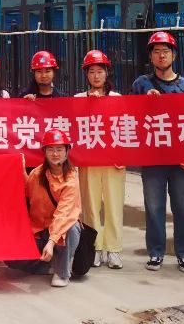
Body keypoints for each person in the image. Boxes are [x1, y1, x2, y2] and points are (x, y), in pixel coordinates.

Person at [130, 30, 184, 273]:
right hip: (153, 158)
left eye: (165, 51)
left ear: (174, 55)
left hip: (180, 159)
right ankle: (156, 252)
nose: (161, 56)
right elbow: (130, 117)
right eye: (156, 51)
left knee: (183, 208)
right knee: (154, 207)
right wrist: (144, 103)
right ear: (150, 56)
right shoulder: (141, 84)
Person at [7, 129, 82, 287]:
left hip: (59, 231)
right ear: (44, 152)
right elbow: (28, 192)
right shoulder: (37, 173)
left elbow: (63, 214)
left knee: (71, 228)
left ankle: (62, 272)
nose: (55, 154)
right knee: (11, 258)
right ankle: (50, 264)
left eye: (59, 149)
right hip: (39, 231)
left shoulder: (71, 179)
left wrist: (51, 242)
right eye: (51, 149)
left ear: (67, 151)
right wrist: (21, 170)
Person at [74, 50, 125, 270]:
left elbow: (125, 128)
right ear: (86, 74)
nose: (96, 76)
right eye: (91, 71)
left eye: (100, 71)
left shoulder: (117, 99)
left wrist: (123, 155)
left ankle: (113, 249)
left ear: (107, 73)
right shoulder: (78, 99)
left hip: (113, 161)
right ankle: (94, 247)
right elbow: (75, 128)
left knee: (114, 204)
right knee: (90, 206)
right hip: (89, 162)